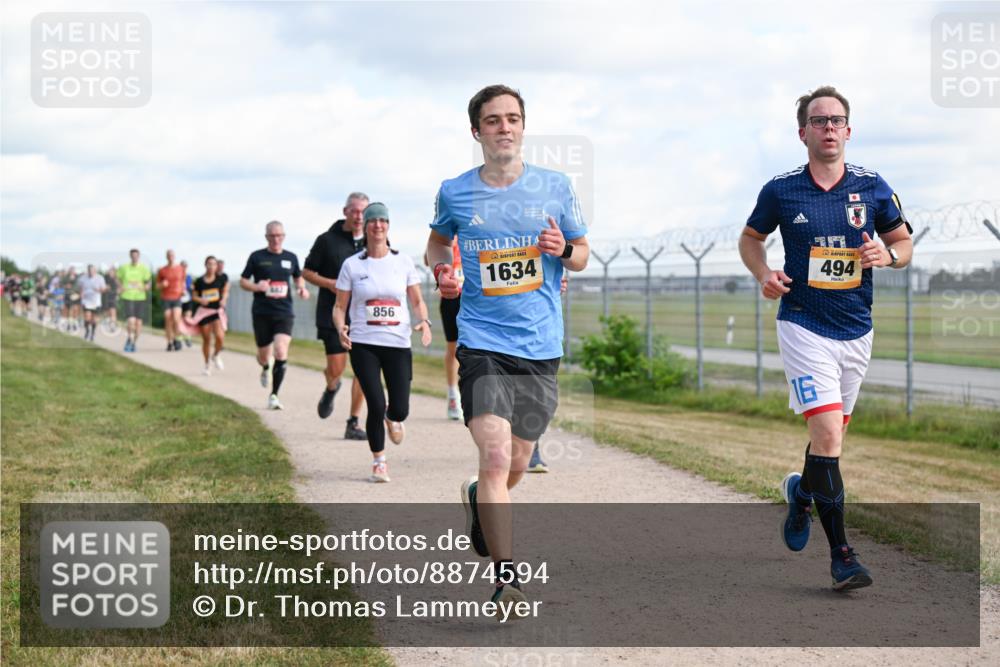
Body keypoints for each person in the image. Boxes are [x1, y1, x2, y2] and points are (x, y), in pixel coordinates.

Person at [739, 85, 913, 591]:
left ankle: (801, 495)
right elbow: (751, 239)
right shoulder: (781, 189)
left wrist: (889, 256)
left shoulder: (872, 185)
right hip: (802, 323)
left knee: (828, 441)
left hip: (856, 329)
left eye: (837, 120)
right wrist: (763, 274)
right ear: (804, 133)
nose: (829, 128)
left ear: (849, 131)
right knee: (829, 436)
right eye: (819, 121)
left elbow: (902, 242)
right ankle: (842, 556)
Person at [426, 85, 589, 612]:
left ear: (523, 126)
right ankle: (506, 577)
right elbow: (435, 242)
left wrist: (562, 248)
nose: (504, 128)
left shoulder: (556, 186)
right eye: (493, 120)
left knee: (516, 465)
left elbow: (582, 253)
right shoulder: (455, 191)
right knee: (495, 456)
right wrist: (443, 270)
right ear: (477, 131)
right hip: (481, 343)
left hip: (540, 344)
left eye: (512, 118)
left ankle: (479, 498)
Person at [334, 202, 432, 482]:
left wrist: (424, 321)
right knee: (375, 404)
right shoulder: (352, 265)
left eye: (383, 221)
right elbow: (340, 306)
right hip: (364, 343)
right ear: (364, 227)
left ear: (388, 226)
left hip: (398, 343)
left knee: (399, 408)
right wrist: (341, 327)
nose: (378, 225)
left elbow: (416, 300)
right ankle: (379, 461)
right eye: (372, 221)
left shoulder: (402, 262)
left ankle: (394, 418)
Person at [303, 192, 370, 441]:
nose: (359, 216)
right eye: (354, 210)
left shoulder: (374, 240)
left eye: (363, 211)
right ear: (345, 212)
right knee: (336, 369)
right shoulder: (326, 241)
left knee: (364, 370)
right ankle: (332, 387)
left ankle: (353, 422)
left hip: (364, 316)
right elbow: (307, 272)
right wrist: (330, 283)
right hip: (334, 314)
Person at [239, 220, 309, 409]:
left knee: (280, 350)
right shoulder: (257, 257)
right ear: (266, 237)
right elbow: (243, 281)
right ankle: (265, 367)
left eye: (279, 235)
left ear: (284, 236)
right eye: (272, 236)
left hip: (284, 312)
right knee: (264, 355)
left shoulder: (291, 257)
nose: (276, 239)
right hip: (262, 312)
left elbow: (298, 277)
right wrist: (257, 286)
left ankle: (274, 395)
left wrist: (301, 288)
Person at [190, 255, 230, 375]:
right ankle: (207, 364)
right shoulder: (199, 281)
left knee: (220, 337)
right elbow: (194, 295)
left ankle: (216, 355)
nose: (211, 266)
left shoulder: (221, 278)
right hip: (204, 312)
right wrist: (200, 300)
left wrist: (224, 299)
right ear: (205, 265)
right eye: (209, 264)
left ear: (216, 266)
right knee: (207, 339)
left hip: (216, 311)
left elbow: (226, 290)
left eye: (214, 264)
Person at [118, 249, 152, 352]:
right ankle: (130, 339)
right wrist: (120, 287)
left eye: (136, 256)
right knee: (131, 320)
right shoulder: (124, 268)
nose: (134, 257)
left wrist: (147, 287)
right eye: (132, 256)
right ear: (130, 256)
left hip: (140, 297)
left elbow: (148, 281)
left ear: (139, 256)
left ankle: (132, 341)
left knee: (138, 324)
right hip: (128, 296)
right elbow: (117, 279)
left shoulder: (143, 268)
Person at [157, 250, 187, 351]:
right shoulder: (162, 270)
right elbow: (157, 285)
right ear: (166, 257)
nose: (170, 257)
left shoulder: (180, 269)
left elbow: (183, 282)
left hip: (177, 297)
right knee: (168, 318)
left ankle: (177, 339)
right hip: (166, 297)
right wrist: (162, 284)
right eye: (169, 255)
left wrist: (183, 290)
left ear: (174, 256)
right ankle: (169, 342)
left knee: (176, 318)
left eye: (172, 255)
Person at [77, 265, 107, 342]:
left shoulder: (100, 278)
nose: (91, 272)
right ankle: (87, 331)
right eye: (89, 271)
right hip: (86, 301)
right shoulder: (82, 278)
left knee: (94, 319)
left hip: (96, 301)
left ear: (95, 271)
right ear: (88, 271)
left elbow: (104, 289)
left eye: (92, 271)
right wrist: (81, 294)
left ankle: (93, 333)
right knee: (87, 317)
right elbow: (80, 288)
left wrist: (99, 290)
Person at [178, 259, 195, 348]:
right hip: (178, 300)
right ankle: (179, 338)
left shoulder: (188, 277)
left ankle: (187, 336)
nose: (183, 268)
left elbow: (191, 286)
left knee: (187, 318)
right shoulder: (176, 276)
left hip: (188, 300)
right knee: (179, 319)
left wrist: (192, 287)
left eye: (185, 266)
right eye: (182, 266)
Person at [102, 264, 120, 333]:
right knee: (107, 312)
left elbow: (120, 287)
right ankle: (110, 323)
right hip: (106, 296)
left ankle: (113, 325)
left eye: (112, 271)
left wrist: (118, 292)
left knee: (113, 311)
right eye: (110, 270)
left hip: (113, 296)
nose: (110, 272)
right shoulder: (106, 277)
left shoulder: (116, 279)